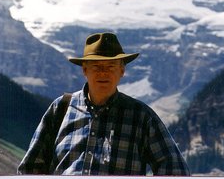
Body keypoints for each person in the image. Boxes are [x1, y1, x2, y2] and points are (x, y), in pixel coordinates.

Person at [18, 32, 190, 175]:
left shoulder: (142, 116)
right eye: (97, 66)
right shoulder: (61, 108)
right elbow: (30, 169)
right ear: (85, 70)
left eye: (111, 66)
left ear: (122, 71)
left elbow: (175, 170)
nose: (103, 73)